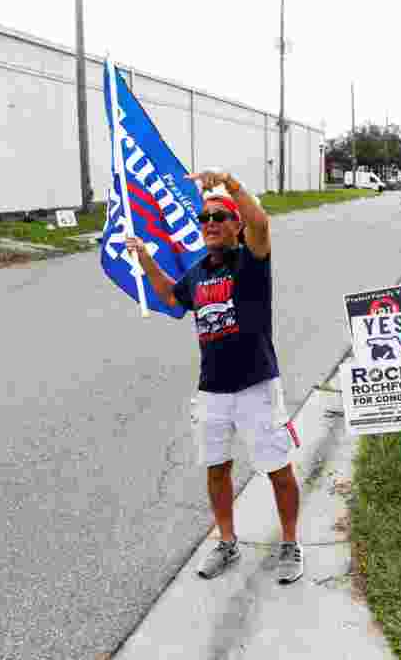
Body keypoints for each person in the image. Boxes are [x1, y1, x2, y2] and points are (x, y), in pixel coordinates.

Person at [125, 170, 303, 585]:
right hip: (212, 391)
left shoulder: (252, 260)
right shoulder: (200, 270)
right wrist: (145, 259)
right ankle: (227, 541)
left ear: (235, 224)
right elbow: (172, 296)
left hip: (257, 385)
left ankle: (290, 543)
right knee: (216, 469)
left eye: (220, 217)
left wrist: (228, 182)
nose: (210, 224)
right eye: (205, 218)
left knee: (277, 468)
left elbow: (262, 223)